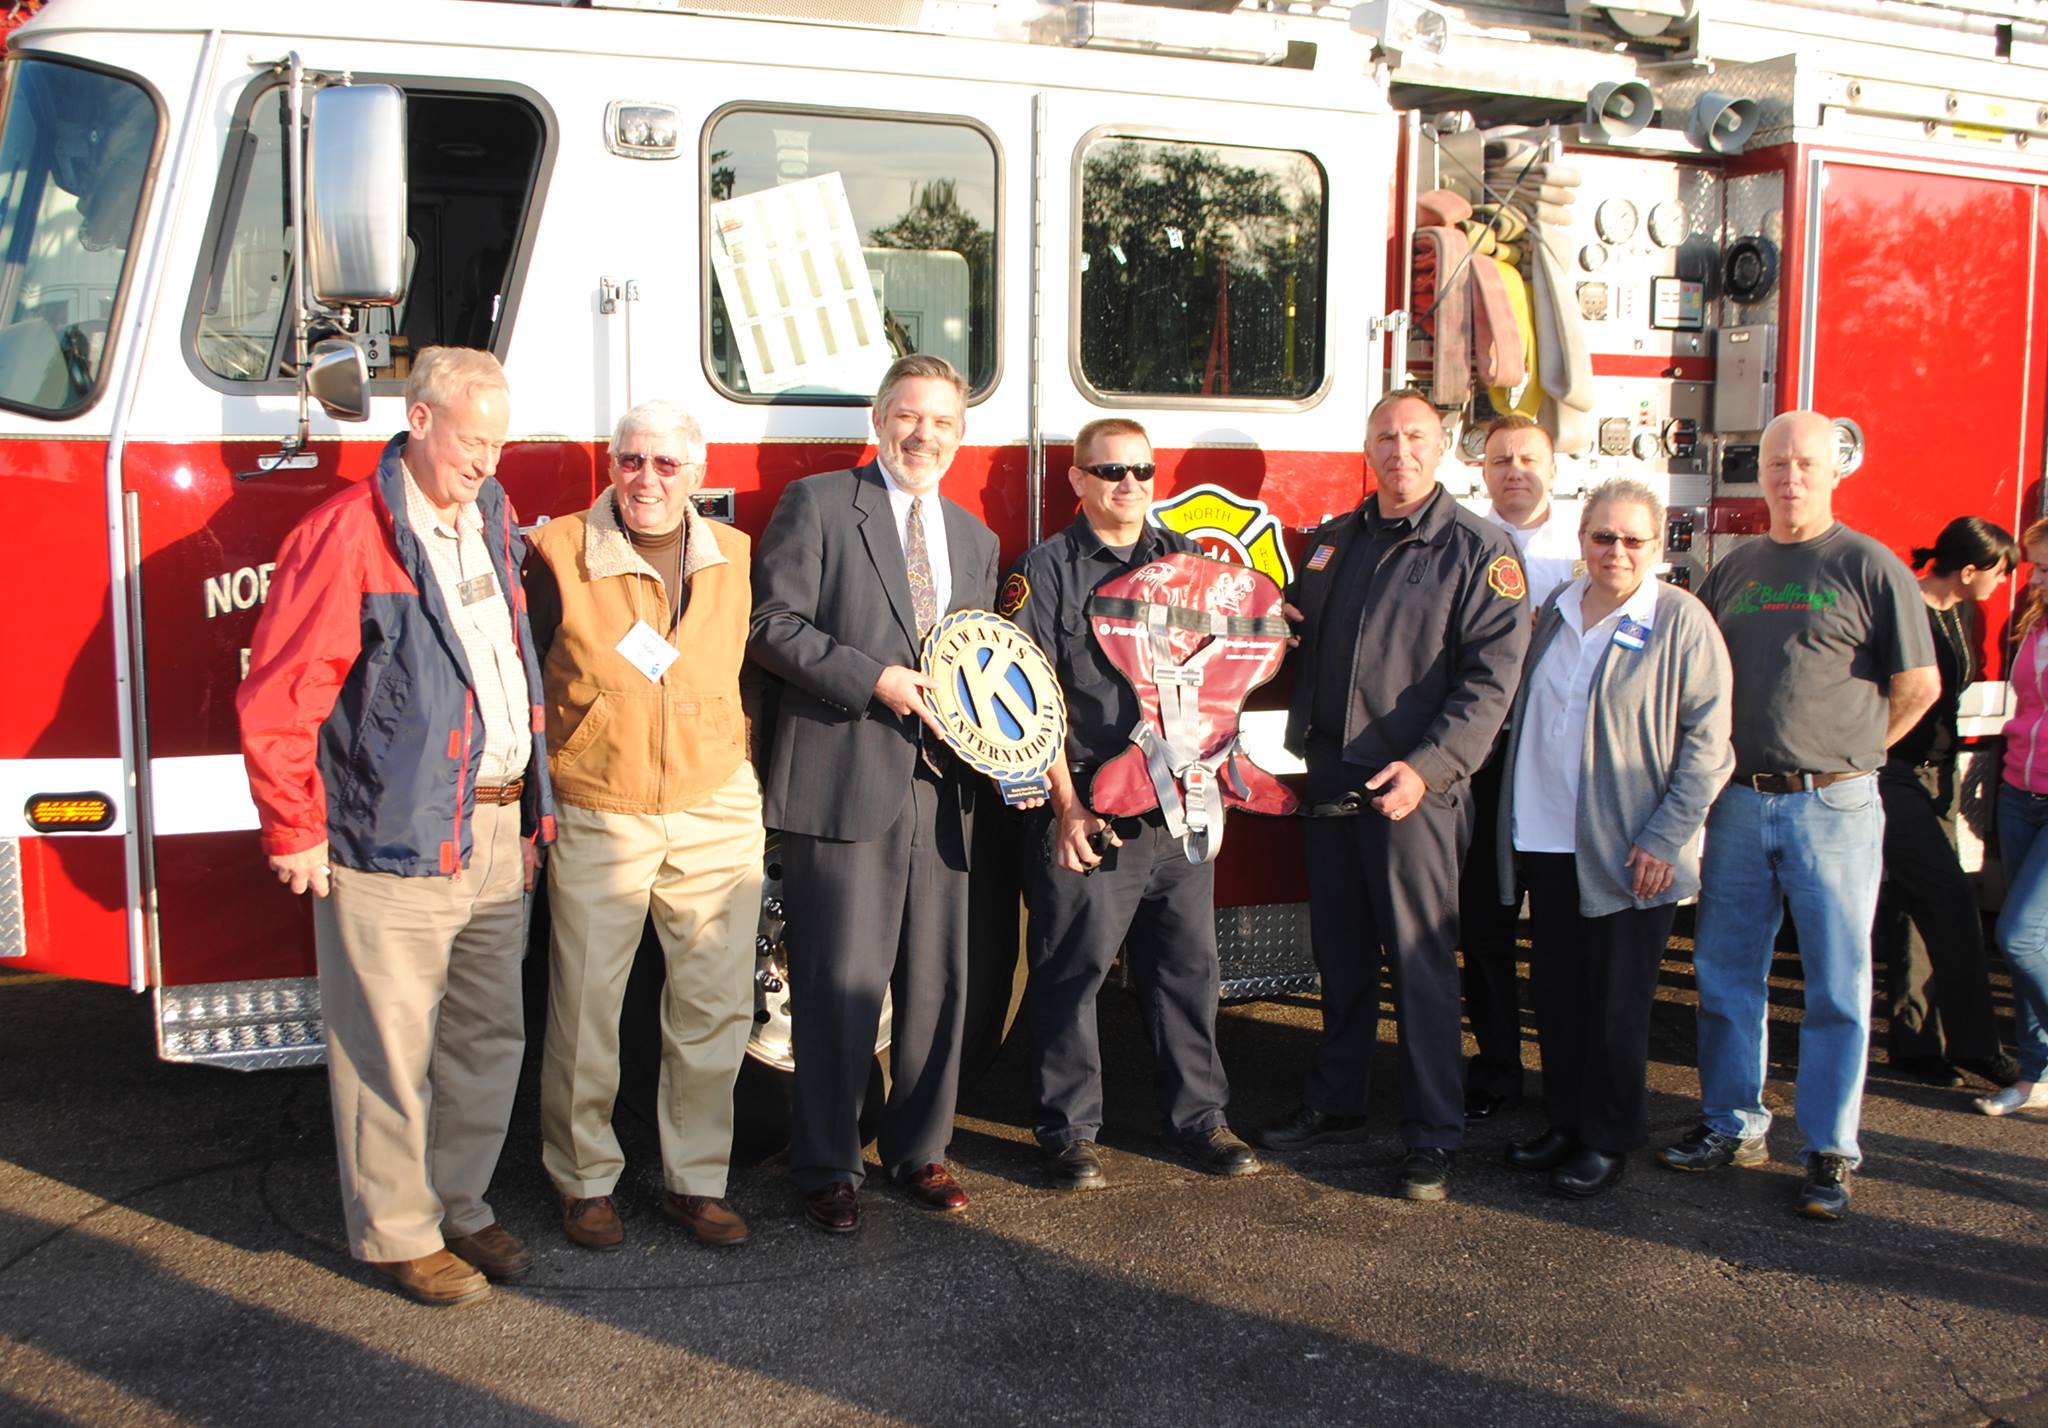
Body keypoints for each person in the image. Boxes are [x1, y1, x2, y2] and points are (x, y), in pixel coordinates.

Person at [237, 346, 557, 1306]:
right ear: (418, 420)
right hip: (392, 833)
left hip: (498, 830)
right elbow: (282, 693)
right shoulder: (346, 534)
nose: (488, 464)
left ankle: (458, 1203)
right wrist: (294, 824)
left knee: (487, 1039)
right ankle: (398, 1231)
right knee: (385, 1046)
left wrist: (533, 809)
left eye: (499, 445)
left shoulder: (491, 518)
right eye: (473, 443)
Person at [1658, 409, 1937, 1221]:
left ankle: (1828, 1149)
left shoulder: (1871, 566)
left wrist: (1852, 754)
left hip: (1836, 806)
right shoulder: (1736, 568)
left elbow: (1916, 686)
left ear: (1835, 470)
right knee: (1725, 975)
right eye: (1776, 462)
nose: (1789, 476)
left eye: (1806, 462)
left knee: (1838, 985)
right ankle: (1731, 1123)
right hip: (1742, 801)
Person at [1255, 388, 1531, 1203]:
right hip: (1331, 780)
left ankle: (1432, 1134)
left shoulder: (1481, 552)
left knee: (1419, 969)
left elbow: (1491, 683)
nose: (1399, 450)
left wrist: (1432, 767)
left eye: (1415, 437)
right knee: (1339, 957)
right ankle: (1338, 1100)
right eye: (1385, 436)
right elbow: (1288, 643)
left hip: (1415, 785)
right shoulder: (1331, 544)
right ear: (1367, 447)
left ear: (1442, 447)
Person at [748, 353, 1000, 1234]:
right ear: (877, 419)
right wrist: (875, 680)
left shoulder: (975, 538)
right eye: (907, 416)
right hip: (845, 778)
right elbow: (772, 628)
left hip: (944, 792)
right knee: (836, 983)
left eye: (941, 421)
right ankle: (826, 1163)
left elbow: (978, 665)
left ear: (961, 436)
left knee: (937, 983)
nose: (922, 434)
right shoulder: (818, 505)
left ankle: (919, 1150)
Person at [523, 400, 763, 1253]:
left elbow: (749, 674)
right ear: (611, 466)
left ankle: (695, 1183)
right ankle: (584, 1182)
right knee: (586, 1007)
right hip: (600, 806)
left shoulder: (733, 556)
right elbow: (518, 684)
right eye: (631, 461)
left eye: (667, 465)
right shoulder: (554, 552)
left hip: (715, 805)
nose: (647, 479)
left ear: (697, 476)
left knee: (714, 1005)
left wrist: (739, 764)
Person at [1000, 417, 1258, 1191]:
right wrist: (1067, 809)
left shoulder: (1189, 568)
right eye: (1109, 471)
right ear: (1076, 480)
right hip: (1090, 814)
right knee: (1071, 973)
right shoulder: (1043, 572)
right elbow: (1028, 699)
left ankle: (1201, 1121)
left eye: (1141, 471)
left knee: (1188, 972)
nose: (1127, 485)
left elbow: (1224, 684)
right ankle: (1068, 1132)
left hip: (1179, 813)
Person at [1495, 479, 1732, 1197]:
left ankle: (1607, 1138)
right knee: (1559, 995)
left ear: (1657, 547)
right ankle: (1565, 1122)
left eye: (1634, 540)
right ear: (1582, 541)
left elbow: (1710, 745)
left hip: (1631, 852)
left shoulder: (1681, 621)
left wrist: (1666, 836)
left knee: (1617, 1005)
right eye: (1604, 537)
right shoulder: (1555, 612)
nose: (1617, 552)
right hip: (1545, 836)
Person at [1461, 413, 1584, 1121]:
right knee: (1485, 924)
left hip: (1566, 760)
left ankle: (1574, 1076)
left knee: (1567, 926)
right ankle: (1500, 1066)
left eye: (1529, 457)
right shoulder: (1469, 544)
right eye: (1502, 458)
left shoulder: (1587, 545)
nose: (1516, 470)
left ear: (1553, 467)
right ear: (1482, 469)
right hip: (1491, 754)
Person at [1875, 518, 2021, 1090]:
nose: (2004, 582)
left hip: (1938, 773)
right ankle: (1977, 1045)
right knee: (1952, 899)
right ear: (1968, 571)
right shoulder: (1905, 609)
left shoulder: (1964, 611)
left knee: (1916, 908)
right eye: (2000, 571)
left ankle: (1914, 1046)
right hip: (1891, 771)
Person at [1983, 518, 2048, 1118]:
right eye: (2036, 566)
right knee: (2034, 939)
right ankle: (2035, 1074)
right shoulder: (2032, 624)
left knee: (2020, 936)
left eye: (2047, 568)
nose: (2036, 578)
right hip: (2018, 791)